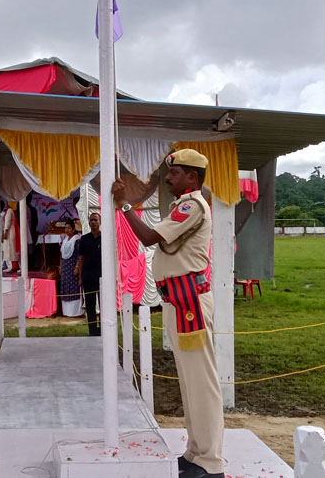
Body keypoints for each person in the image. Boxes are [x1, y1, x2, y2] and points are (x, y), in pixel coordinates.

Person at [111, 149, 224, 478]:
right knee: (190, 383)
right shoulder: (181, 206)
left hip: (190, 303)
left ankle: (211, 461)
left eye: (175, 172)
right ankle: (196, 453)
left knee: (201, 383)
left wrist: (125, 205)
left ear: (193, 177)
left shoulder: (192, 205)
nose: (168, 176)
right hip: (179, 301)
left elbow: (148, 237)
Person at [77, 213, 102, 336]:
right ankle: (92, 330)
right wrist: (81, 277)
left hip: (102, 278)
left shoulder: (105, 238)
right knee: (90, 305)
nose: (93, 222)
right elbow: (81, 259)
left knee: (104, 305)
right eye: (91, 220)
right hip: (88, 277)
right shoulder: (84, 239)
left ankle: (104, 330)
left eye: (95, 220)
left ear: (100, 222)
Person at [59, 220, 81, 317]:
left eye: (69, 228)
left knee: (74, 287)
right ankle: (66, 312)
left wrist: (77, 267)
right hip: (65, 267)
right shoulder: (64, 240)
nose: (67, 230)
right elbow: (61, 255)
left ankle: (75, 312)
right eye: (65, 228)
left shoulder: (76, 240)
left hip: (72, 266)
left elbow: (79, 255)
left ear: (73, 229)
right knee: (65, 286)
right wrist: (60, 267)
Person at [1, 201, 19, 272]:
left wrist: (5, 232)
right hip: (12, 231)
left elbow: (7, 222)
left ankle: (13, 267)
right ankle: (14, 266)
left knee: (10, 250)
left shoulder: (9, 211)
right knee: (12, 250)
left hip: (9, 232)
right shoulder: (13, 211)